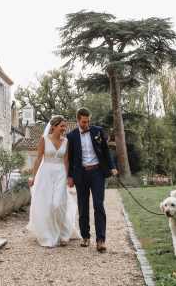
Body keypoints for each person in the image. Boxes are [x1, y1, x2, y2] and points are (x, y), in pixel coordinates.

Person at [66, 108, 118, 253]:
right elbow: (69, 159)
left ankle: (101, 240)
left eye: (88, 121)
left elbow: (106, 151)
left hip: (97, 173)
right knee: (83, 207)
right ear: (78, 120)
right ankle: (85, 237)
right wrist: (70, 176)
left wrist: (112, 167)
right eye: (84, 122)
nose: (87, 124)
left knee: (98, 205)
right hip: (81, 174)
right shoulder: (71, 136)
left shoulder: (98, 131)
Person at [27, 115, 80, 247]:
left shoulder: (66, 141)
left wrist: (69, 177)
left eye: (65, 125)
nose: (64, 128)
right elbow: (39, 158)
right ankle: (49, 235)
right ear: (54, 126)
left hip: (61, 173)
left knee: (57, 204)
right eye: (62, 125)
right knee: (47, 204)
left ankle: (63, 232)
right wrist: (33, 176)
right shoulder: (44, 139)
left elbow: (66, 160)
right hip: (45, 174)